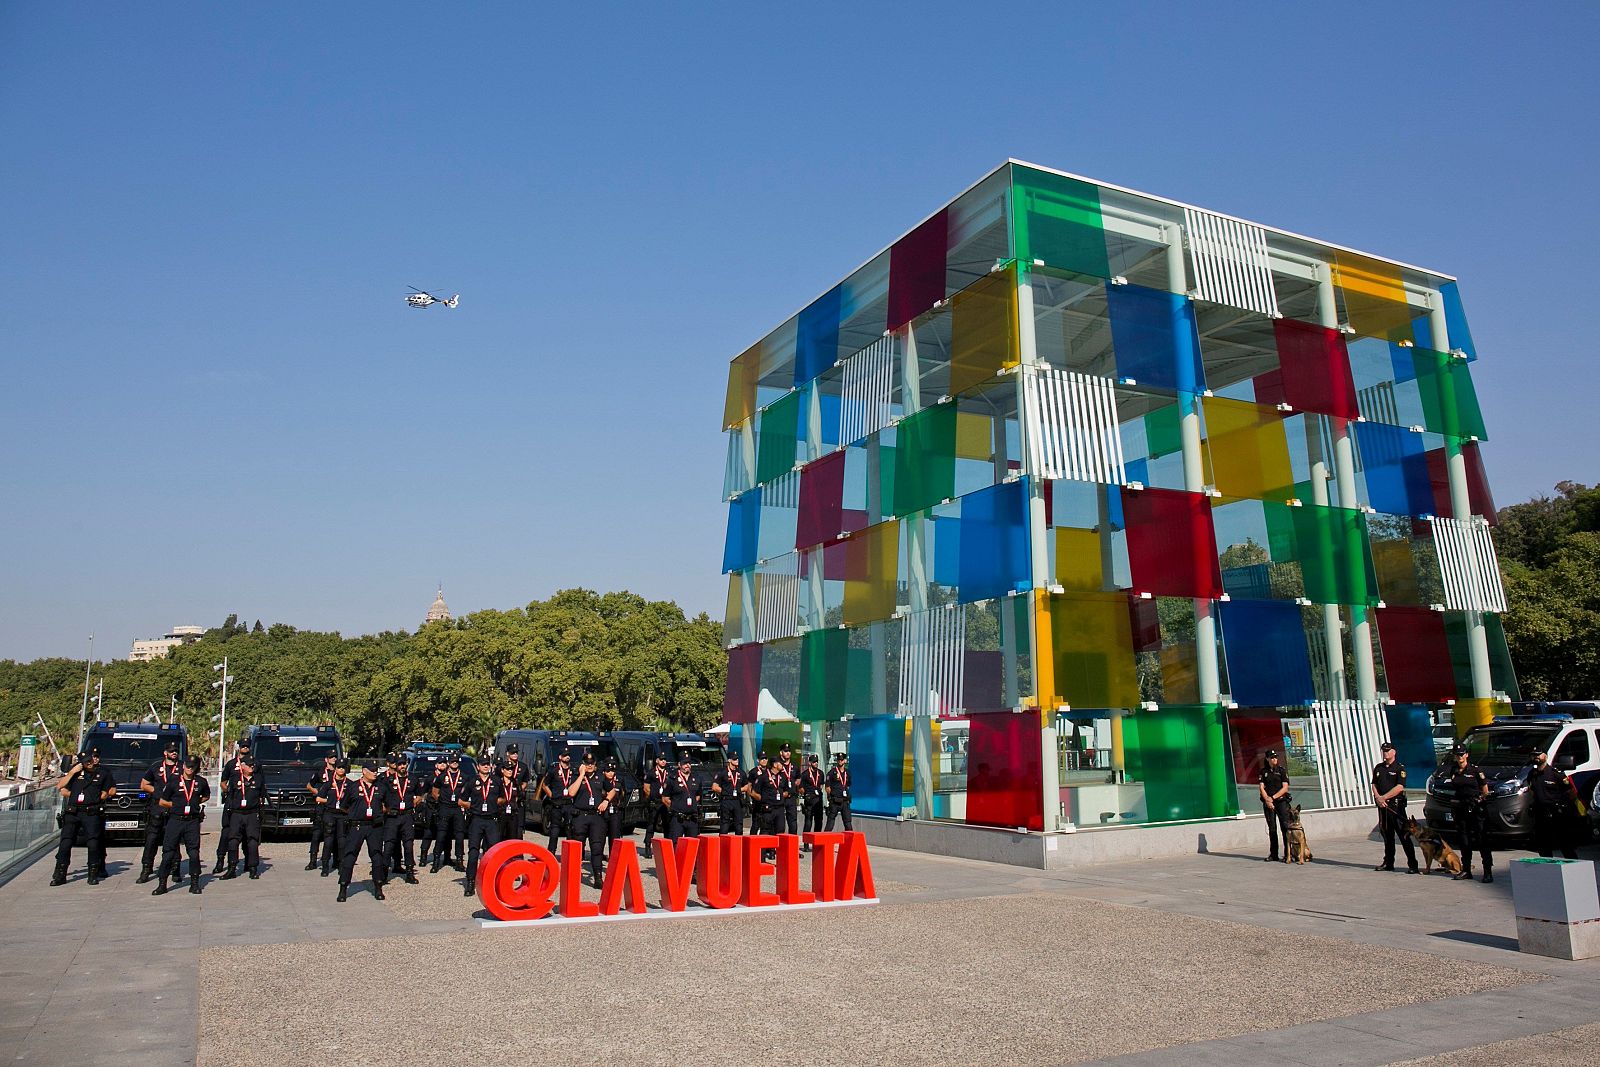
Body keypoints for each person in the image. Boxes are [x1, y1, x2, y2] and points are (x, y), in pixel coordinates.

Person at [51, 749, 115, 886]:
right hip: (73, 813)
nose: (90, 763)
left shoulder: (102, 773)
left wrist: (94, 799)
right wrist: (73, 772)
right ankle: (60, 874)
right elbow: (60, 786)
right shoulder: (75, 774)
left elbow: (108, 790)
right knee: (65, 843)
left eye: (91, 760)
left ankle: (93, 874)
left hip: (91, 813)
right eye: (87, 762)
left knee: (93, 843)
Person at [152, 756, 210, 895]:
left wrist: (194, 803)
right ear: (183, 766)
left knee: (194, 853)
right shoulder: (174, 781)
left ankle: (195, 883)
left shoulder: (201, 782)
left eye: (193, 766)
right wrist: (178, 805)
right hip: (176, 820)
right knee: (168, 853)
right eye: (188, 766)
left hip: (192, 821)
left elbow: (206, 796)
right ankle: (162, 883)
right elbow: (162, 802)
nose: (190, 769)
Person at [1439, 745, 1492, 883]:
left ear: (1467, 755)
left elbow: (1485, 790)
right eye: (1457, 755)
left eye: (1462, 754)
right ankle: (1466, 870)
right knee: (1464, 840)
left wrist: (1478, 800)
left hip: (1475, 809)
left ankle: (1487, 871)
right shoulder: (1454, 769)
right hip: (1461, 809)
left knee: (1481, 840)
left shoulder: (1475, 771)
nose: (1460, 757)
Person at [338, 763, 390, 902]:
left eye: (376, 771)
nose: (375, 773)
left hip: (375, 827)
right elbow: (344, 806)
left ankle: (378, 887)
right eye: (372, 771)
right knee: (350, 856)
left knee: (377, 856)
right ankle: (343, 888)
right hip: (357, 826)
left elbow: (387, 806)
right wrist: (355, 814)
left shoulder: (381, 787)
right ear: (364, 771)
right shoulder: (353, 787)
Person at [566, 750, 612, 887]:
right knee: (577, 849)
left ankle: (598, 877)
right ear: (583, 764)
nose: (589, 766)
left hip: (596, 817)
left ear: (595, 764)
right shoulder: (576, 776)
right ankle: (573, 877)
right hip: (580, 816)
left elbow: (612, 790)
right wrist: (581, 775)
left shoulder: (600, 777)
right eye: (587, 763)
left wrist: (606, 801)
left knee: (597, 848)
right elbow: (571, 792)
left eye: (591, 763)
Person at [1370, 742, 1419, 873]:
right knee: (1387, 836)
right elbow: (1374, 783)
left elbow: (1399, 787)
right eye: (1384, 751)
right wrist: (1378, 798)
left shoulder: (1399, 768)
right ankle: (1388, 862)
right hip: (1383, 807)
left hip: (1396, 807)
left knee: (1404, 836)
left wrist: (1384, 797)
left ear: (1394, 752)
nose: (1385, 753)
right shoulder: (1379, 768)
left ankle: (1413, 865)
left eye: (1388, 751)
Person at [137, 743, 182, 883]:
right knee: (151, 840)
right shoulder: (156, 767)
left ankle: (175, 869)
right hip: (157, 808)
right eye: (171, 751)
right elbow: (144, 785)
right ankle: (146, 868)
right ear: (165, 753)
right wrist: (158, 793)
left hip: (173, 807)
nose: (174, 753)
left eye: (175, 751)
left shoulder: (182, 767)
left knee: (173, 840)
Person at [1528, 749, 1580, 860]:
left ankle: (1574, 869)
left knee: (1565, 845)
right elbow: (1532, 790)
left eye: (1538, 755)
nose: (1536, 757)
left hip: (1557, 814)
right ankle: (1547, 870)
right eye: (1533, 755)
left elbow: (1571, 793)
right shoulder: (1532, 774)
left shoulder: (1556, 774)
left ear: (1545, 756)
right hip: (1541, 814)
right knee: (1543, 846)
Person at [221, 757, 267, 879]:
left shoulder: (258, 779)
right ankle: (231, 868)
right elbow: (229, 797)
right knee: (233, 841)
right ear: (242, 766)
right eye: (249, 765)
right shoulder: (235, 779)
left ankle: (253, 868)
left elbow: (262, 797)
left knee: (252, 842)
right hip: (237, 813)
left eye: (253, 765)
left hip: (252, 814)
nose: (252, 767)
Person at [462, 757, 501, 897]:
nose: (486, 767)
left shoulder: (496, 781)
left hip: (491, 820)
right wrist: (472, 807)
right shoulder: (472, 782)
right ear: (478, 766)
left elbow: (502, 797)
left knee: (493, 853)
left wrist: (495, 804)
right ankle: (470, 882)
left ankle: (491, 881)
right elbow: (462, 800)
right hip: (476, 820)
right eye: (483, 764)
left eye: (487, 764)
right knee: (473, 852)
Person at [382, 754, 422, 885]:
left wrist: (417, 800)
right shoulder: (387, 780)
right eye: (400, 764)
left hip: (407, 816)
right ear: (396, 766)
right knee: (389, 845)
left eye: (404, 764)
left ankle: (410, 873)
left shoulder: (413, 779)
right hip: (392, 816)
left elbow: (420, 794)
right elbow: (380, 797)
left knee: (409, 845)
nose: (402, 766)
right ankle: (383, 874)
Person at [214, 740, 250, 874]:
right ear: (239, 748)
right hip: (232, 804)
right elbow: (223, 783)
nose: (245, 748)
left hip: (246, 807)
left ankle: (248, 862)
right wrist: (228, 792)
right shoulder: (231, 764)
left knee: (247, 835)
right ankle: (220, 860)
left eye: (247, 746)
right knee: (226, 833)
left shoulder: (254, 764)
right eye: (243, 746)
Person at [430, 753, 468, 873]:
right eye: (452, 761)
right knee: (441, 835)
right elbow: (434, 792)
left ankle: (459, 861)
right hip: (445, 808)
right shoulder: (442, 776)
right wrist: (442, 802)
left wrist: (463, 803)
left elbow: (467, 793)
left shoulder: (464, 776)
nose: (454, 763)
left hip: (457, 808)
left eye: (456, 761)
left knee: (459, 835)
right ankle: (436, 861)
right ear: (448, 763)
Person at [313, 759, 351, 878]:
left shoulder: (349, 784)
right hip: (329, 814)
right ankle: (325, 867)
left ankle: (341, 865)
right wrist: (330, 801)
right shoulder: (329, 784)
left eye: (343, 767)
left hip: (342, 815)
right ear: (336, 769)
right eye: (339, 767)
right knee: (328, 842)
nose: (341, 769)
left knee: (342, 842)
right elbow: (318, 799)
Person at [305, 752, 338, 872]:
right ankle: (313, 861)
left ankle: (335, 861)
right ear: (326, 759)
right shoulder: (320, 772)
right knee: (316, 835)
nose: (333, 759)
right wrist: (318, 793)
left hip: (333, 807)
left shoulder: (338, 772)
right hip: (321, 806)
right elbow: (309, 785)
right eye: (331, 757)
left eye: (335, 757)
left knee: (333, 835)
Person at [1259, 749, 1292, 863]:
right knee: (1272, 829)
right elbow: (1262, 787)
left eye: (1275, 757)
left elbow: (1285, 788)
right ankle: (1274, 854)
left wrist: (1272, 798)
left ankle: (1288, 853)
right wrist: (1267, 800)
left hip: (1281, 802)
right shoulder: (1263, 772)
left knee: (1285, 827)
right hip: (1268, 803)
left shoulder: (1281, 770)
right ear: (1267, 759)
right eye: (1272, 757)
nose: (1274, 759)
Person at [538, 749, 575, 851]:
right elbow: (545, 785)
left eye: (568, 755)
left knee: (569, 830)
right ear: (560, 757)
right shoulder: (553, 770)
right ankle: (551, 852)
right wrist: (551, 796)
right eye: (565, 755)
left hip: (568, 803)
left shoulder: (573, 770)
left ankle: (570, 853)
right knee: (554, 830)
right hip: (557, 804)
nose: (567, 757)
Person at [663, 753, 700, 842]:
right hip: (677, 819)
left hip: (692, 818)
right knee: (675, 844)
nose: (687, 765)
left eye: (689, 763)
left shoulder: (696, 778)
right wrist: (675, 807)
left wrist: (691, 805)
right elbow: (665, 798)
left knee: (693, 844)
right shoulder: (672, 779)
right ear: (679, 764)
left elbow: (698, 795)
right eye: (685, 763)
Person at [641, 753, 670, 849]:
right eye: (661, 759)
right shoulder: (651, 772)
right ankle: (648, 845)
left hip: (665, 802)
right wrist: (652, 798)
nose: (663, 761)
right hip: (655, 801)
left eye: (665, 759)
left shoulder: (669, 772)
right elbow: (646, 788)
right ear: (657, 760)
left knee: (667, 824)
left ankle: (667, 845)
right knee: (651, 824)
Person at [597, 759, 624, 861]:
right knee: (601, 835)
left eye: (612, 771)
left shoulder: (619, 781)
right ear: (604, 772)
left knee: (615, 835)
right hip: (603, 811)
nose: (611, 773)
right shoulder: (600, 781)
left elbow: (622, 794)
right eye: (608, 771)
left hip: (615, 810)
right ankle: (599, 855)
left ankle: (614, 857)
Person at [797, 753, 825, 847]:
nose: (816, 763)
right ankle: (806, 843)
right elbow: (800, 788)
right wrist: (806, 795)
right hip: (809, 800)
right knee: (808, 822)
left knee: (819, 821)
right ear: (810, 763)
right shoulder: (805, 774)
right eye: (814, 762)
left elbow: (821, 785)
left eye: (817, 762)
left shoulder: (820, 773)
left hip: (818, 801)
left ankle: (816, 842)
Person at [504, 744, 531, 841]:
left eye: (516, 752)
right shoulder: (503, 766)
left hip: (518, 802)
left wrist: (519, 791)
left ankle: (519, 854)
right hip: (505, 802)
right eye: (512, 752)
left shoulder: (523, 767)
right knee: (505, 830)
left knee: (518, 830)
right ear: (508, 754)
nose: (515, 754)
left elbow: (525, 781)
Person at [713, 754, 743, 836]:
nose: (737, 760)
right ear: (729, 760)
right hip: (726, 800)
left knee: (739, 825)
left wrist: (739, 790)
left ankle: (739, 845)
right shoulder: (722, 772)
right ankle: (723, 844)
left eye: (737, 759)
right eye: (734, 759)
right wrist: (725, 792)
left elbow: (747, 785)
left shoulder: (740, 772)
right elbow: (714, 787)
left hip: (737, 800)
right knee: (725, 824)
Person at [775, 743, 800, 836]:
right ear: (781, 752)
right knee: (780, 823)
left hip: (791, 797)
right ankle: (778, 845)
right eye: (785, 751)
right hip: (780, 797)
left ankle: (792, 844)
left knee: (793, 822)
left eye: (789, 751)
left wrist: (795, 784)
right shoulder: (777, 765)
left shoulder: (794, 766)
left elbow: (798, 777)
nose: (788, 753)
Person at [825, 752, 853, 832]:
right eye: (838, 760)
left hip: (845, 802)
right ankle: (825, 842)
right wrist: (830, 797)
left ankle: (849, 844)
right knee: (830, 824)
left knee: (848, 824)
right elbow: (827, 787)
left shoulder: (848, 773)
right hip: (835, 801)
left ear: (845, 761)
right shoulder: (832, 772)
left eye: (841, 760)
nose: (840, 761)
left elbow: (848, 785)